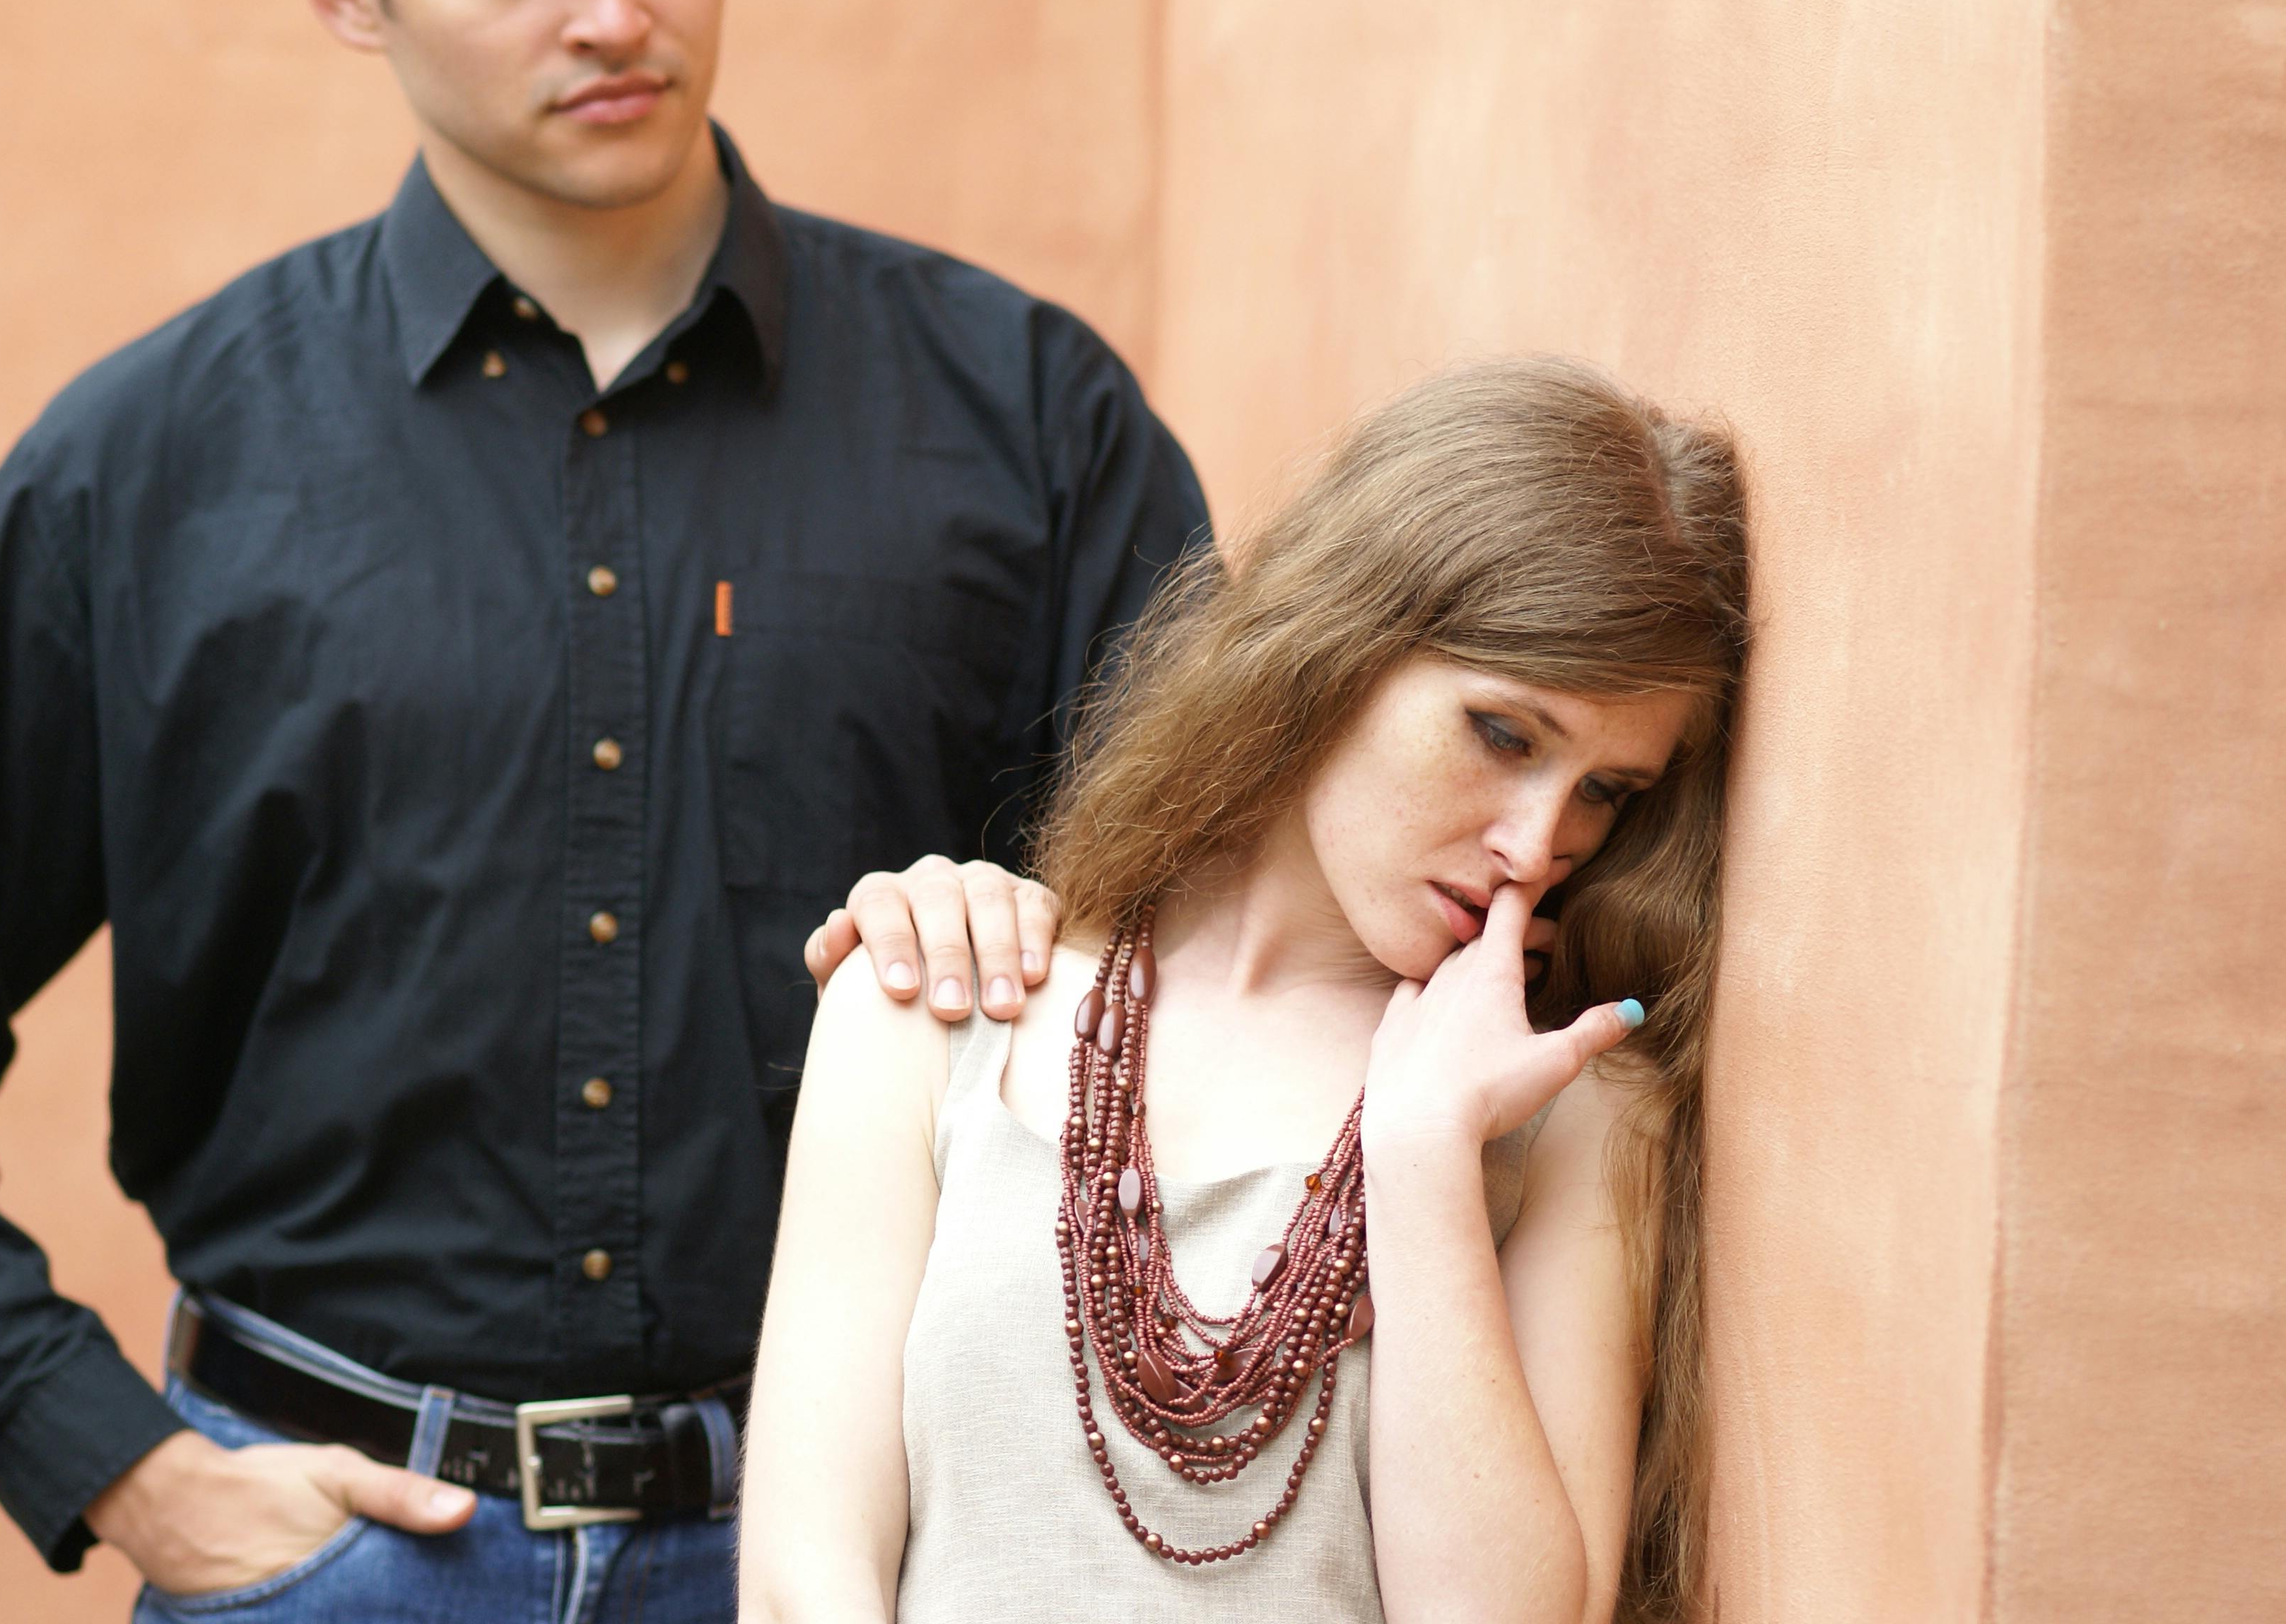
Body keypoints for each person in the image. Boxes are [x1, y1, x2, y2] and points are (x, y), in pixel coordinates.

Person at [0, 0, 1203, 1618]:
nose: (614, 12)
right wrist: (117, 1462)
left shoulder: (1026, 424)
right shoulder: (155, 465)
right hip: (333, 1566)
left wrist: (1054, 940)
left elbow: (1222, 984)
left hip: (852, 1556)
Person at [740, 359, 1751, 1624]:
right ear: (1339, 644)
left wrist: (1424, 1161)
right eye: (1506, 734)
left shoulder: (1575, 1107)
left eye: (1608, 791)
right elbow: (802, 1580)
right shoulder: (931, 1010)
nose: (1539, 846)